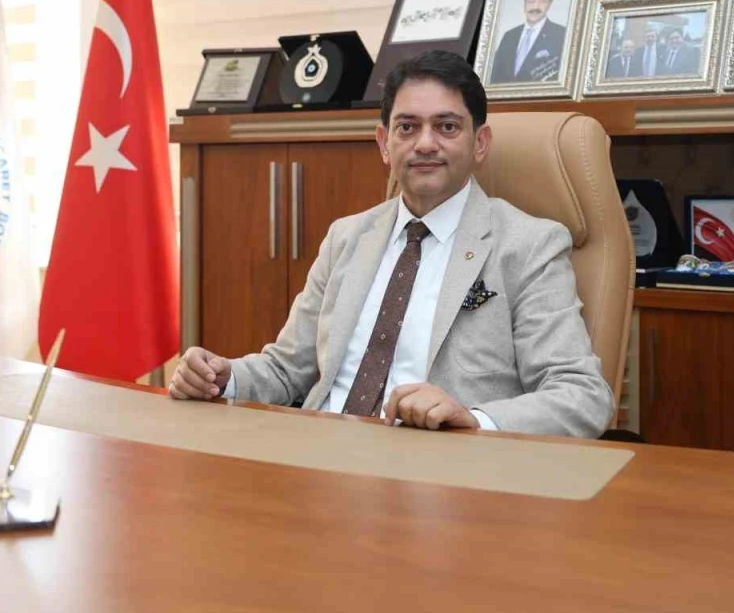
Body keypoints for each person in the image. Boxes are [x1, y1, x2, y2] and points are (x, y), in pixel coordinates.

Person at [170, 50, 613, 437]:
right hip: (318, 455)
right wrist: (223, 377)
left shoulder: (529, 246)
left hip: (439, 474)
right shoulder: (346, 237)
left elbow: (582, 396)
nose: (425, 144)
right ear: (385, 144)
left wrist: (474, 420)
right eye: (407, 127)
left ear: (480, 144)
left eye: (447, 127)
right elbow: (287, 370)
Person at [489, 0, 567, 84]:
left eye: (542, 2)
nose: (535, 7)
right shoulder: (509, 36)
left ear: (550, 4)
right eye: (531, 2)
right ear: (524, 4)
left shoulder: (561, 35)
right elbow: (494, 75)